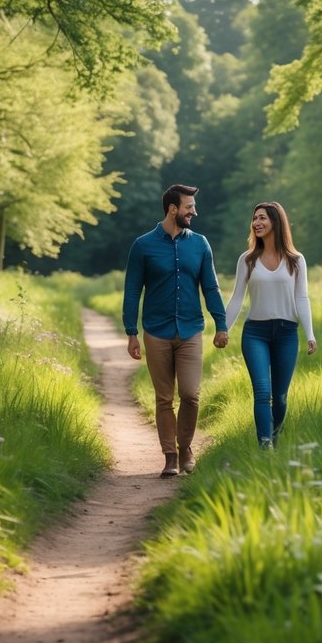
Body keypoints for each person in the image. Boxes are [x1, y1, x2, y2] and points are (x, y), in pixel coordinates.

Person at [123, 184, 229, 478]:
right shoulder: (143, 245)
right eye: (189, 207)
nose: (194, 212)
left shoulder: (200, 244)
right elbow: (132, 289)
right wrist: (131, 331)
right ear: (173, 209)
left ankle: (186, 448)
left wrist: (221, 324)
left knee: (191, 394)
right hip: (156, 332)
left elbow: (210, 286)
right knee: (164, 398)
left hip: (191, 330)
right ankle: (170, 456)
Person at [224, 202, 317, 450]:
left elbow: (302, 297)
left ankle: (275, 438)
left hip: (287, 333)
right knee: (263, 393)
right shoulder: (248, 260)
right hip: (256, 333)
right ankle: (265, 446)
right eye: (254, 218)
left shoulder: (296, 261)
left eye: (262, 218)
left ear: (276, 221)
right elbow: (237, 297)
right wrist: (224, 329)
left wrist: (309, 334)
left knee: (281, 397)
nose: (257, 223)